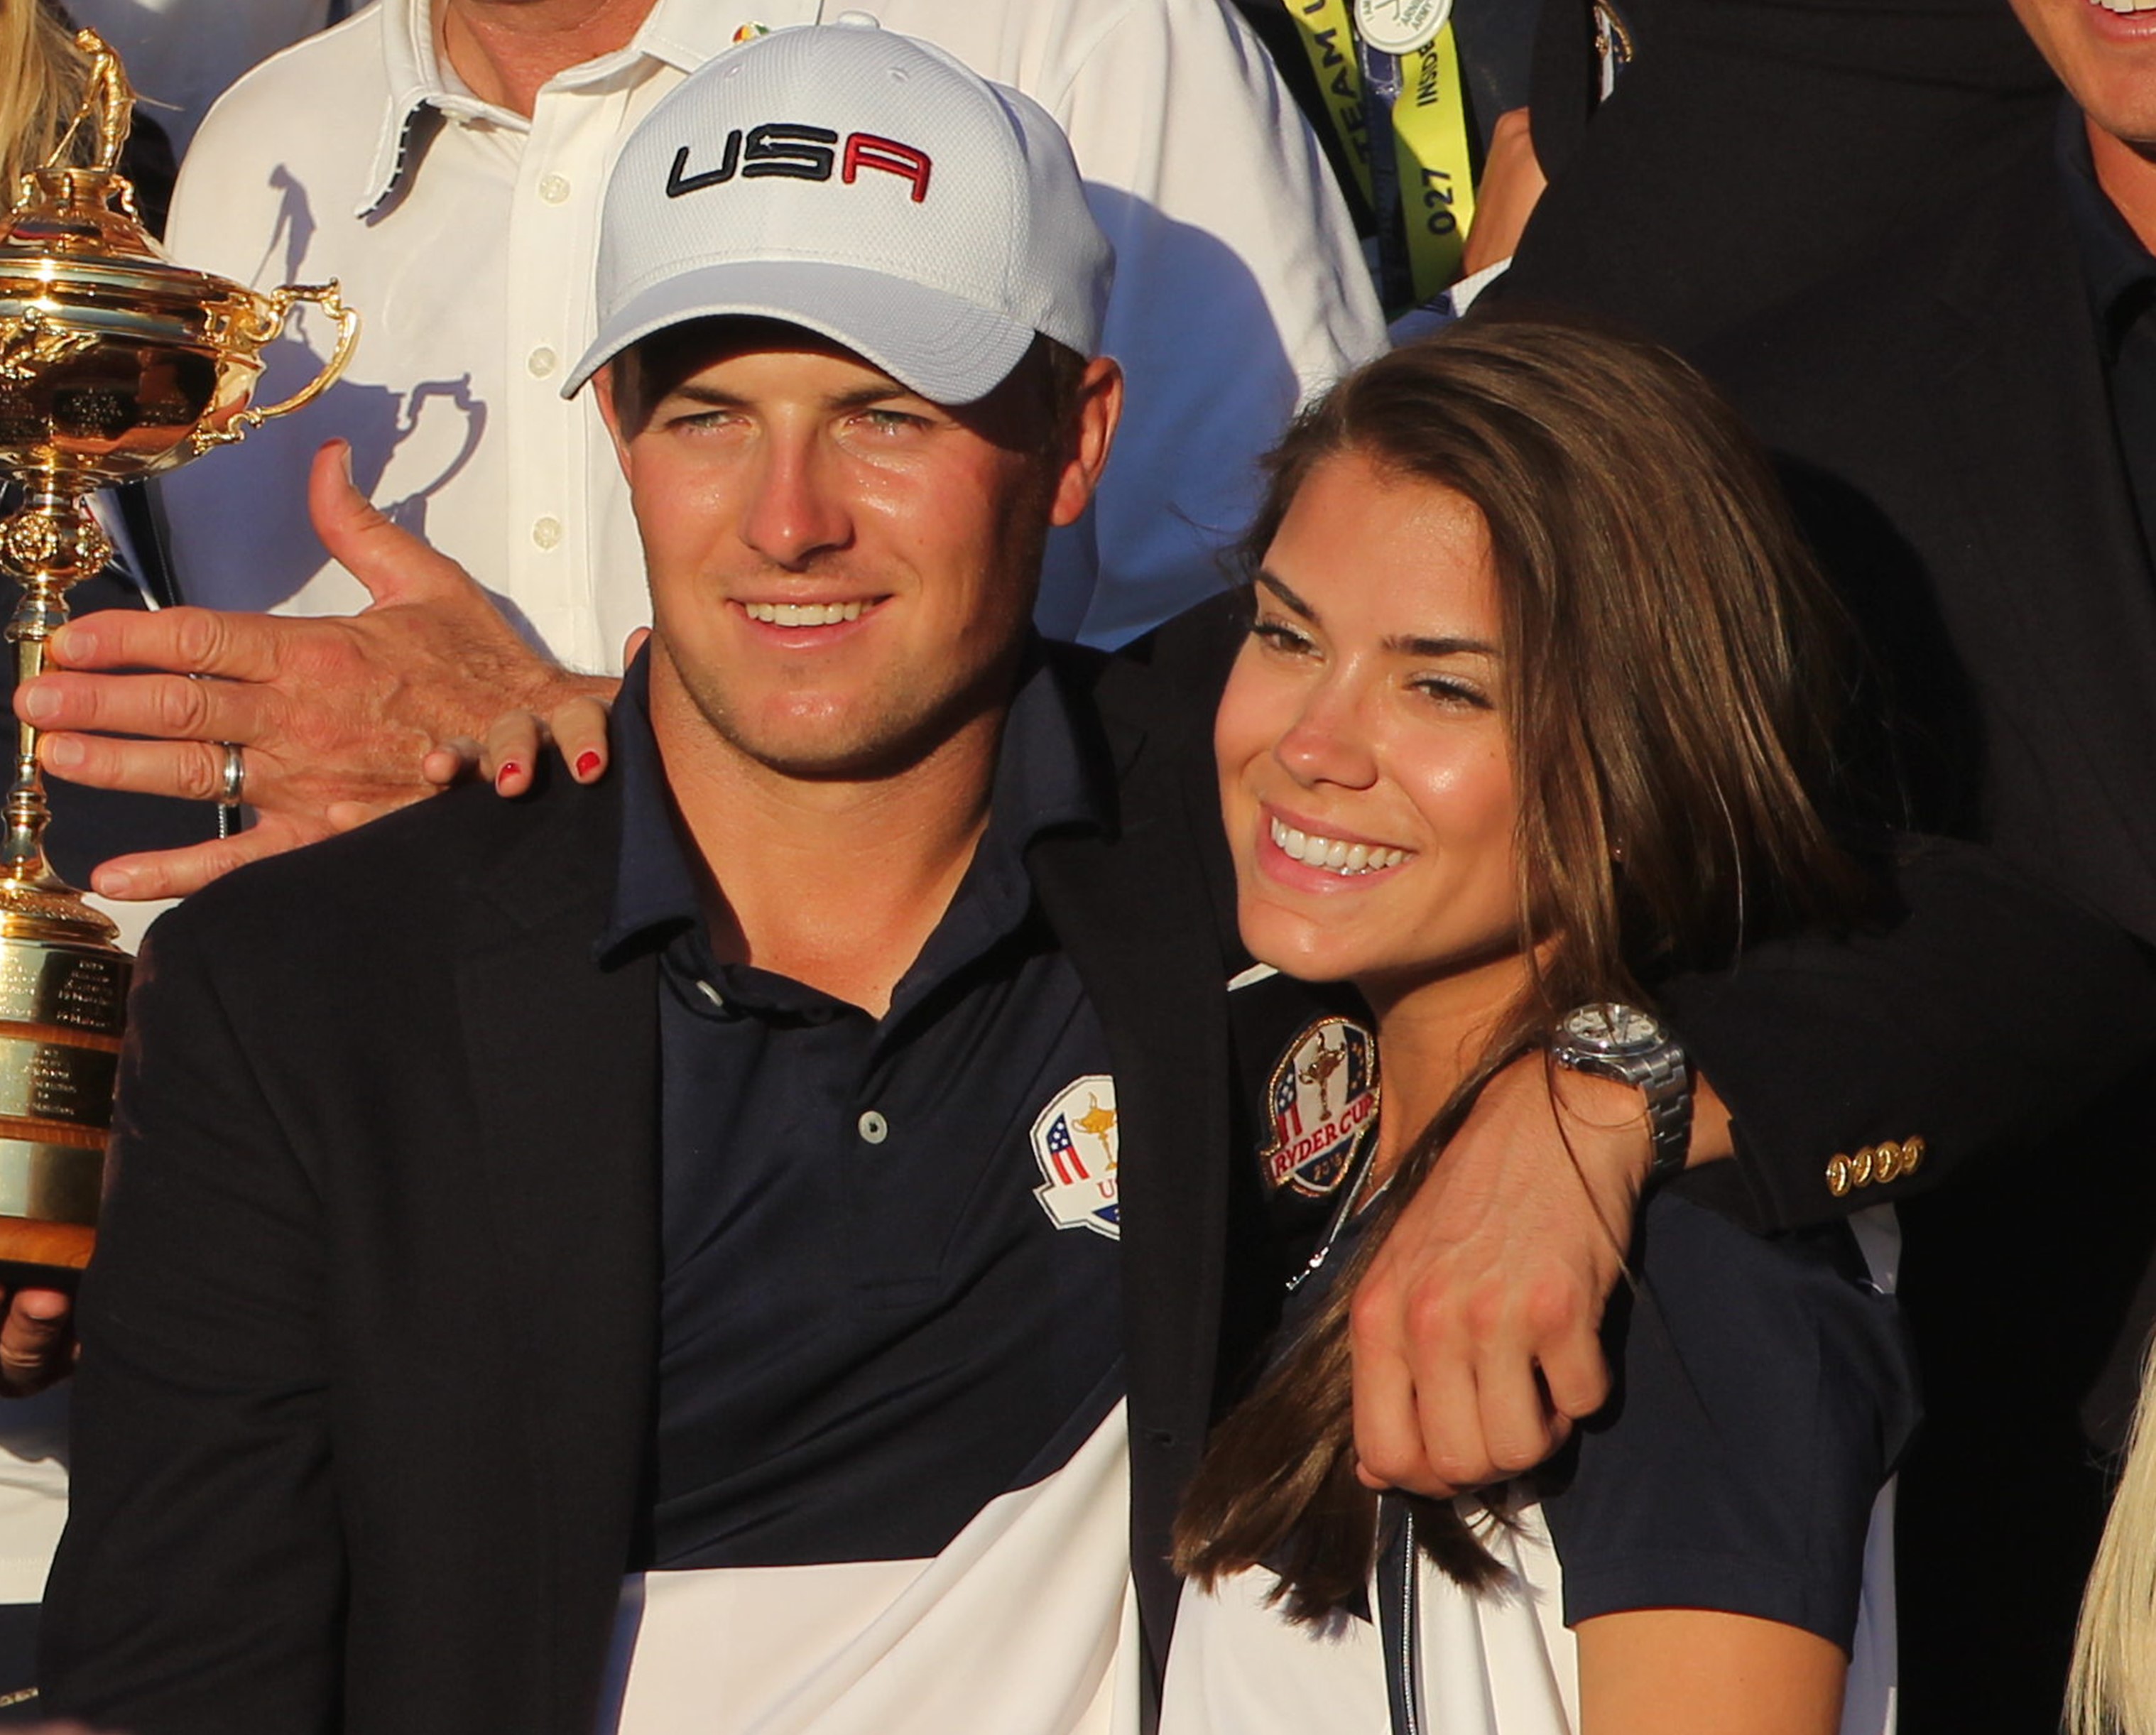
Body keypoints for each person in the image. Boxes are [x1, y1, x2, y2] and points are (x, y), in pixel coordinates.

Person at [36, 18, 2156, 1733]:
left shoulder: (1246, 815)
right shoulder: (317, 983)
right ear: (608, 431)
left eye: (886, 415)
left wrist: (1600, 1093)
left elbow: (2014, 958)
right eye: (707, 414)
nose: (790, 518)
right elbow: (188, 1664)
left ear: (1079, 433)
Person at [9, 0, 1384, 908]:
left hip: (951, 1199)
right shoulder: (264, 144)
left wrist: (559, 768)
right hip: (391, 1227)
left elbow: (1298, 700)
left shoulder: (1078, 32)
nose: (789, 516)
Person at [1160, 322, 1911, 1735]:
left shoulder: (1686, 1259)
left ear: (1645, 747)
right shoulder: (1318, 1160)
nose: (1312, 742)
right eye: (1285, 634)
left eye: (1443, 685)